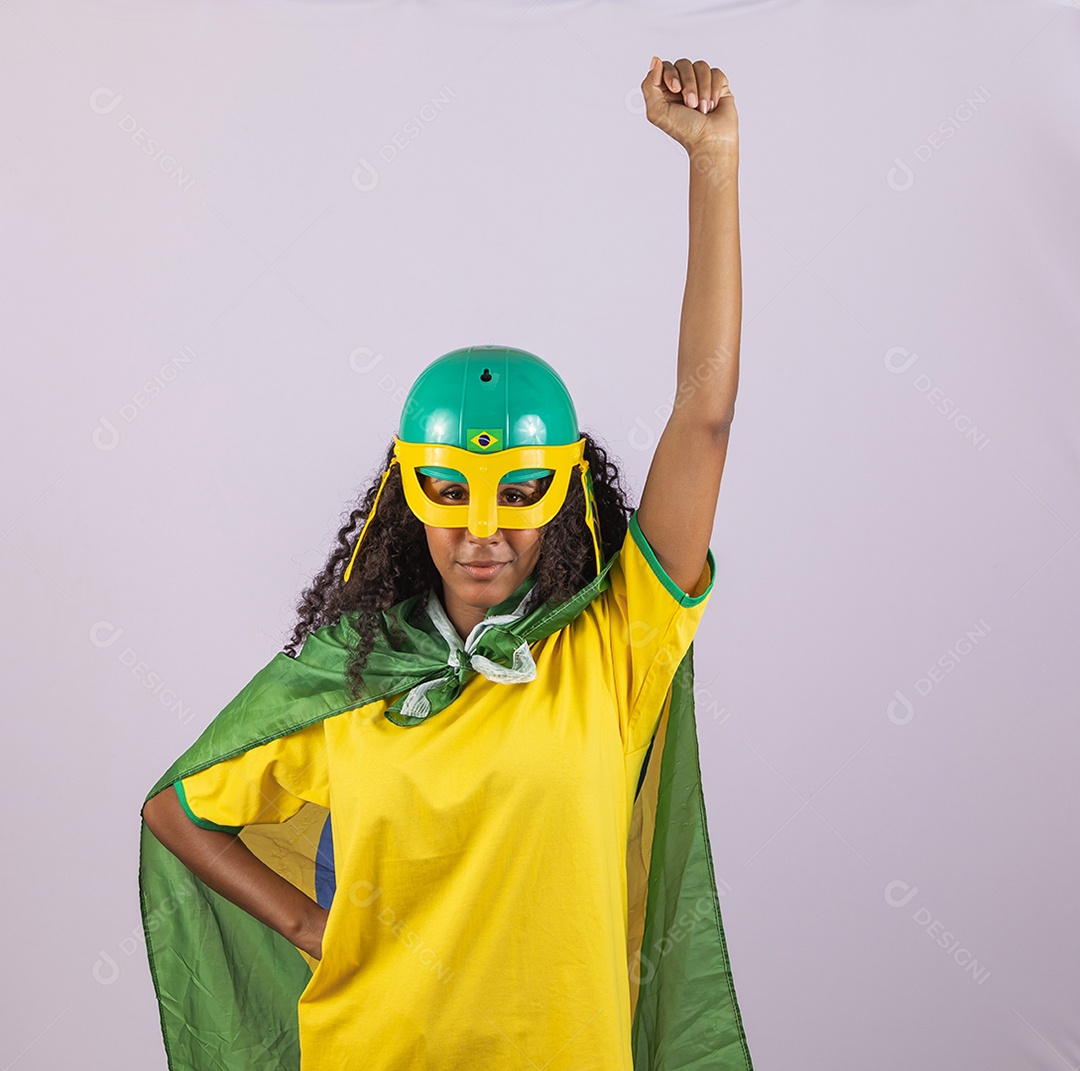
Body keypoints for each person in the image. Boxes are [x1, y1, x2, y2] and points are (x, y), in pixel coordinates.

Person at [140, 56, 751, 1070]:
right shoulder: (349, 676)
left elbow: (706, 414)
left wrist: (714, 162)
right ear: (406, 496)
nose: (483, 532)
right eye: (453, 495)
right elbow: (178, 809)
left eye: (518, 493)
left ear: (564, 497)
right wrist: (309, 927)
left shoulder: (613, 649)